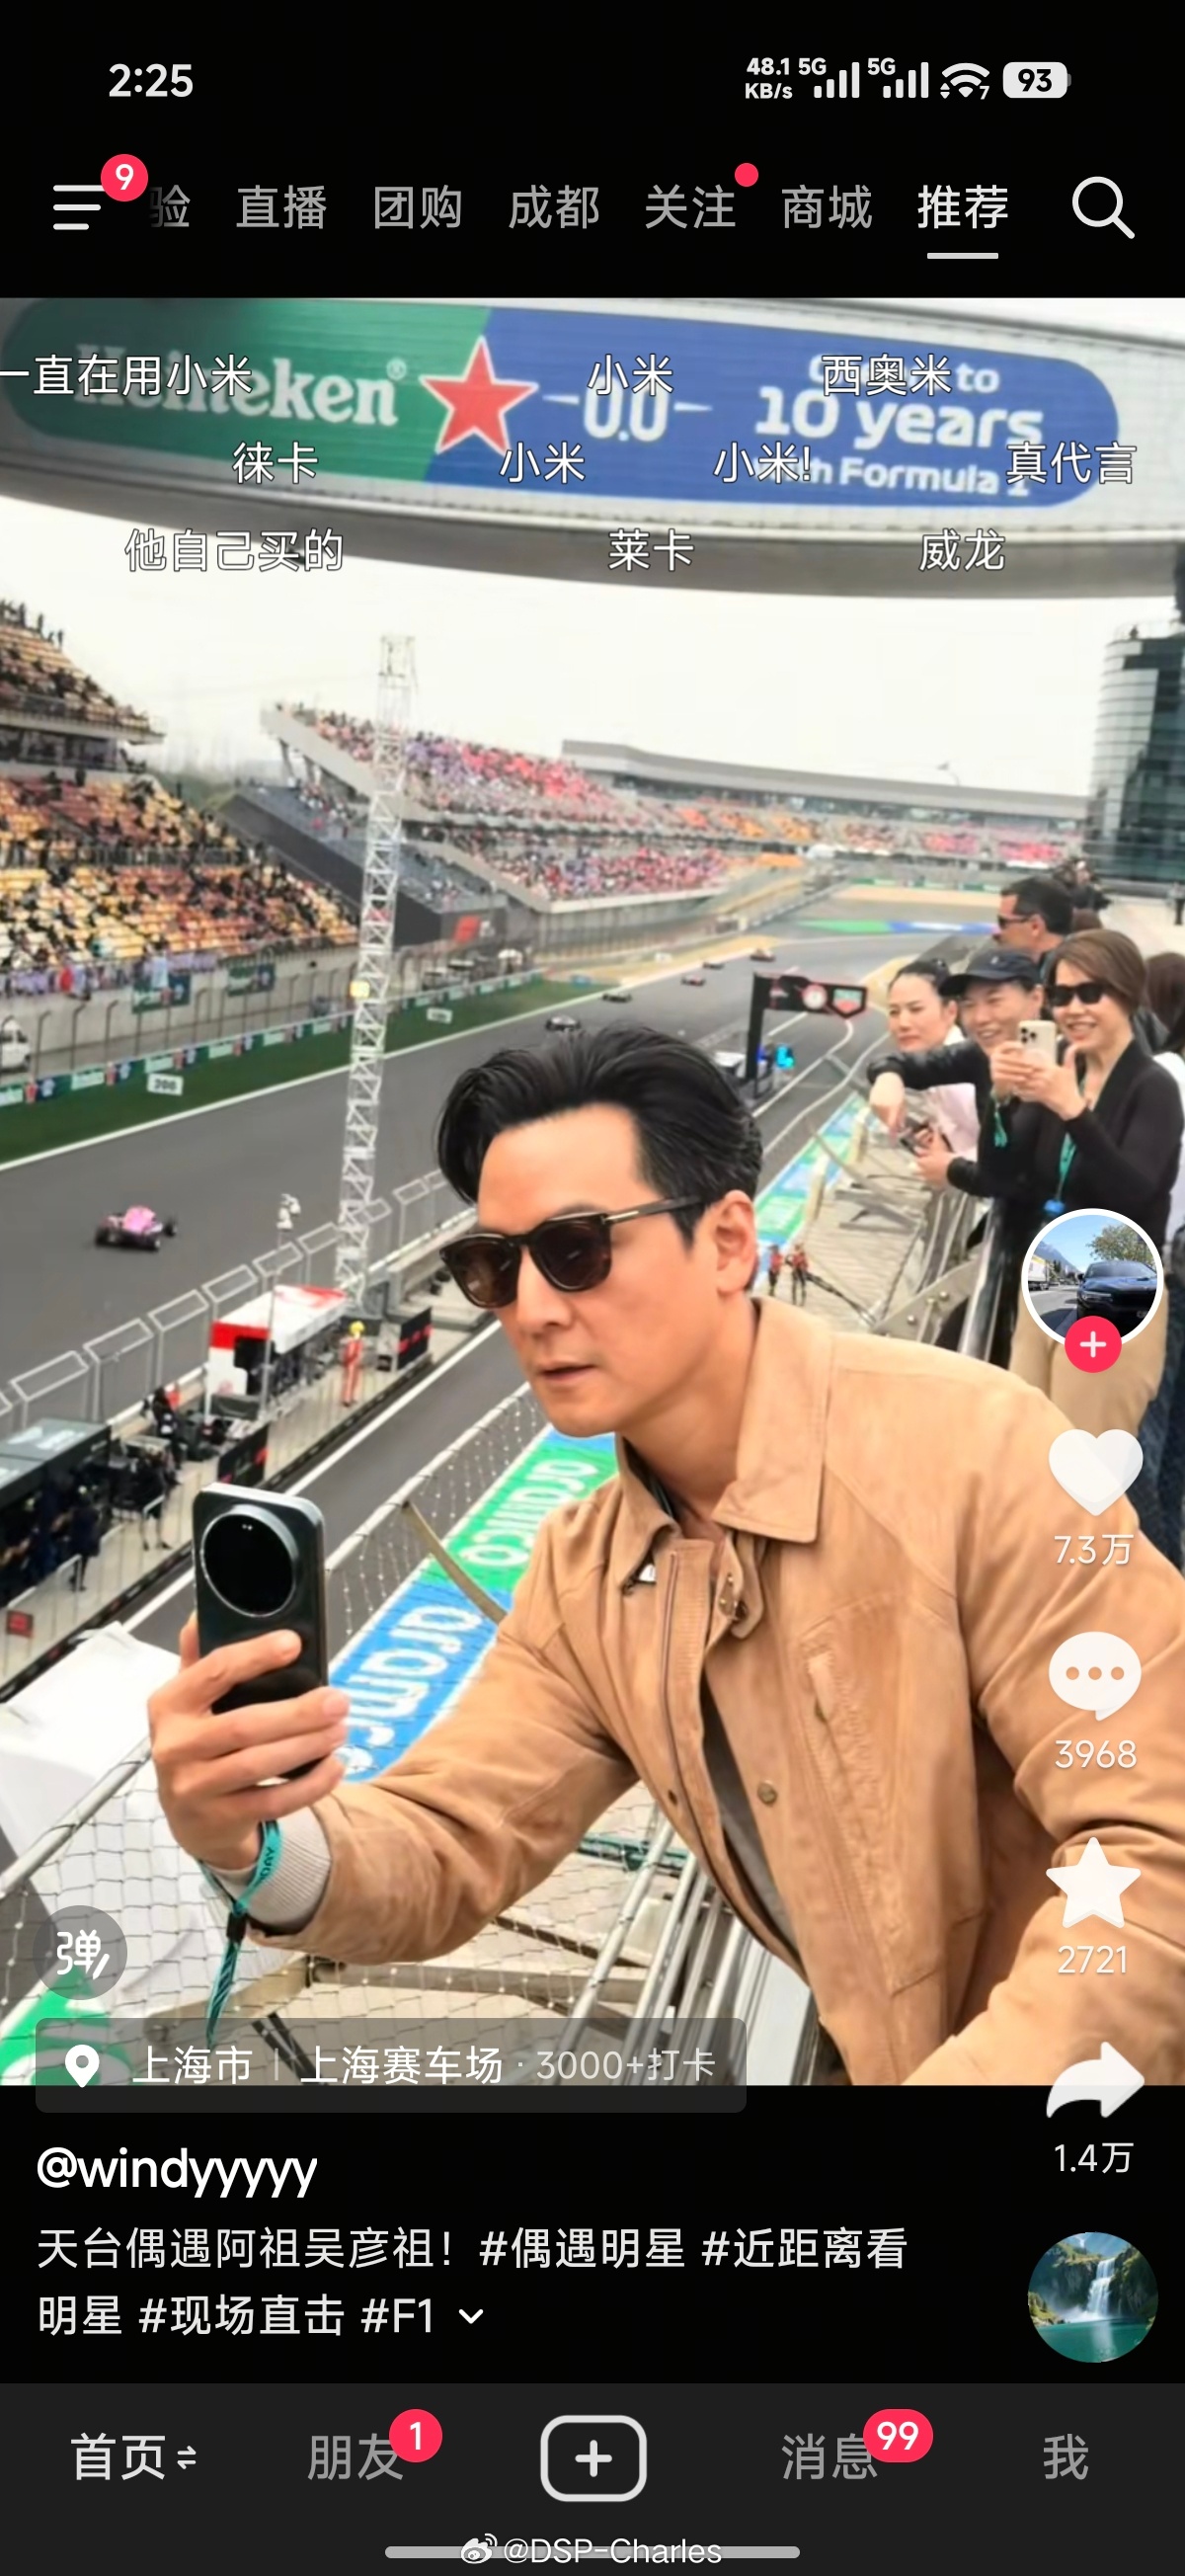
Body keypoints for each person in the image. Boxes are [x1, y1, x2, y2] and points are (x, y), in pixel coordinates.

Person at [147, 1025, 1185, 2088]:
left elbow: (1157, 1856)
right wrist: (251, 1839)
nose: (532, 1309)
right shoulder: (587, 1572)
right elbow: (448, 1838)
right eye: (493, 1266)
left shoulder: (977, 1447)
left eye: (578, 1249)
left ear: (729, 1242)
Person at [980, 928, 1183, 1436]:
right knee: (1024, 1440)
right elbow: (1000, 1172)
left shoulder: (1153, 1086)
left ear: (1127, 993)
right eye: (1062, 995)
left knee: (1081, 1456)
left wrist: (1073, 1111)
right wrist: (1000, 1100)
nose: (1073, 1009)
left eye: (1090, 993)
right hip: (1052, 1269)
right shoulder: (1064, 1074)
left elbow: (1133, 1193)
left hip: (1118, 1278)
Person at [865, 946, 1047, 1361]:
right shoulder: (980, 1056)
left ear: (1036, 999)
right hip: (1017, 1246)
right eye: (971, 1005)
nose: (980, 1017)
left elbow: (1018, 1177)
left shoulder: (1058, 1070)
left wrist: (952, 1168)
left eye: (994, 1001)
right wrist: (888, 1076)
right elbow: (903, 1064)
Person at [1128, 953, 1185, 1564]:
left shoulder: (1163, 1075)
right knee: (1169, 1459)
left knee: (1145, 1447)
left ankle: (1156, 1589)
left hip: (1160, 1276)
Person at [997, 873, 1165, 1049]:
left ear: (1035, 926)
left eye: (1003, 923)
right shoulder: (1040, 971)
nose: (998, 932)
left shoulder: (1092, 970)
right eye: (1062, 996)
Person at [871, 959, 980, 1159]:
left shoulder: (961, 1083)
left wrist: (949, 1163)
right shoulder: (934, 1066)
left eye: (916, 1009)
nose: (903, 1023)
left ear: (950, 1011)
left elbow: (1010, 1151)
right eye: (894, 1012)